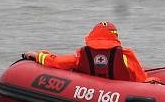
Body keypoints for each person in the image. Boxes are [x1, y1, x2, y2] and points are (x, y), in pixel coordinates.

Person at [24, 21, 154, 83]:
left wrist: (37, 55)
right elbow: (141, 79)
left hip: (89, 92)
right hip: (121, 94)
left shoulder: (82, 55)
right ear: (115, 36)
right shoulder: (125, 55)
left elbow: (57, 62)